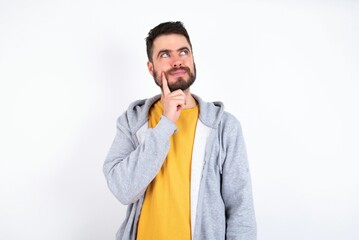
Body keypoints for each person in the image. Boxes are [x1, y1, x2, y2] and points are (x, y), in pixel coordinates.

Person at [103, 21, 256, 240]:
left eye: (184, 52)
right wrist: (165, 124)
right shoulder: (132, 122)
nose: (177, 61)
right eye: (165, 55)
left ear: (193, 58)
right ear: (150, 68)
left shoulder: (224, 127)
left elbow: (241, 210)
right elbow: (122, 189)